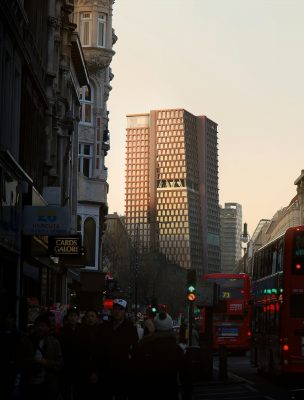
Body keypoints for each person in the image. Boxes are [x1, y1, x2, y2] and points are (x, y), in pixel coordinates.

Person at [133, 312, 192, 400]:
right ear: (170, 327)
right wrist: (187, 395)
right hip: (169, 392)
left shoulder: (145, 346)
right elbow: (185, 377)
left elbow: (136, 372)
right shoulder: (176, 349)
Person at [17, 313, 63, 400]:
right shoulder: (26, 341)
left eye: (43, 326)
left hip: (48, 384)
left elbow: (60, 363)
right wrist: (32, 361)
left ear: (48, 328)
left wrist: (46, 362)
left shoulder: (54, 342)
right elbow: (19, 359)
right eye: (37, 325)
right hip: (29, 383)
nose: (40, 328)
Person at [104, 299, 139, 399]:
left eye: (120, 309)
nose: (117, 312)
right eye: (115, 309)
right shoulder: (105, 327)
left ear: (125, 312)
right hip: (106, 371)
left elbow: (135, 349)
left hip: (123, 372)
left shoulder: (130, 328)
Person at [73, 309, 107, 400]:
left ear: (97, 318)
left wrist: (96, 371)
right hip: (82, 370)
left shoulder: (102, 332)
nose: (90, 318)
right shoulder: (80, 331)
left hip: (98, 370)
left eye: (92, 316)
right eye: (88, 316)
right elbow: (78, 352)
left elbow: (103, 354)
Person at [58, 308, 81, 400]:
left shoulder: (82, 329)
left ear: (78, 317)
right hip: (66, 364)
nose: (73, 318)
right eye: (71, 316)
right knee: (65, 389)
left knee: (78, 389)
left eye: (75, 316)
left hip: (79, 364)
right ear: (67, 317)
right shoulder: (63, 331)